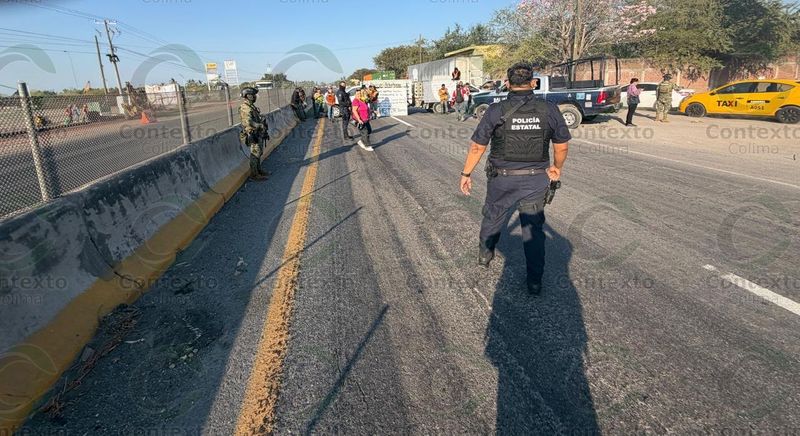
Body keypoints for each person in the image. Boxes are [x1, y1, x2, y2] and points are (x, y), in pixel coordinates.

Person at [459, 62, 570, 295]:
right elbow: (561, 146)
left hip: (502, 180)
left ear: (508, 84)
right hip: (535, 180)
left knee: (493, 216)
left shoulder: (495, 110)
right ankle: (535, 281)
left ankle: (485, 255)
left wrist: (466, 173)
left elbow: (478, 147)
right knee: (533, 229)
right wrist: (556, 168)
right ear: (533, 83)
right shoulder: (549, 109)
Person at [239, 87, 270, 181]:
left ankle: (258, 170)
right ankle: (254, 174)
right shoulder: (245, 107)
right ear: (248, 96)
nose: (255, 97)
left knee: (259, 152)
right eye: (253, 95)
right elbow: (248, 122)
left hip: (257, 133)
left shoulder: (251, 106)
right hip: (252, 134)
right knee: (255, 154)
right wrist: (259, 125)